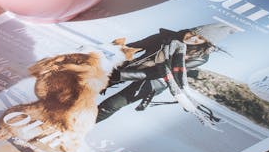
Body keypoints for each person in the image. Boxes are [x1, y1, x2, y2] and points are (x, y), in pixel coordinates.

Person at [96, 23, 238, 123]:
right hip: (135, 67)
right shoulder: (166, 38)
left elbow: (157, 73)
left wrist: (121, 76)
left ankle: (76, 129)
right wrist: (106, 52)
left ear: (207, 43)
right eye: (193, 33)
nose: (193, 38)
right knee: (88, 85)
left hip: (155, 80)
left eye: (200, 39)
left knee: (111, 105)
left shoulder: (199, 58)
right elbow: (134, 46)